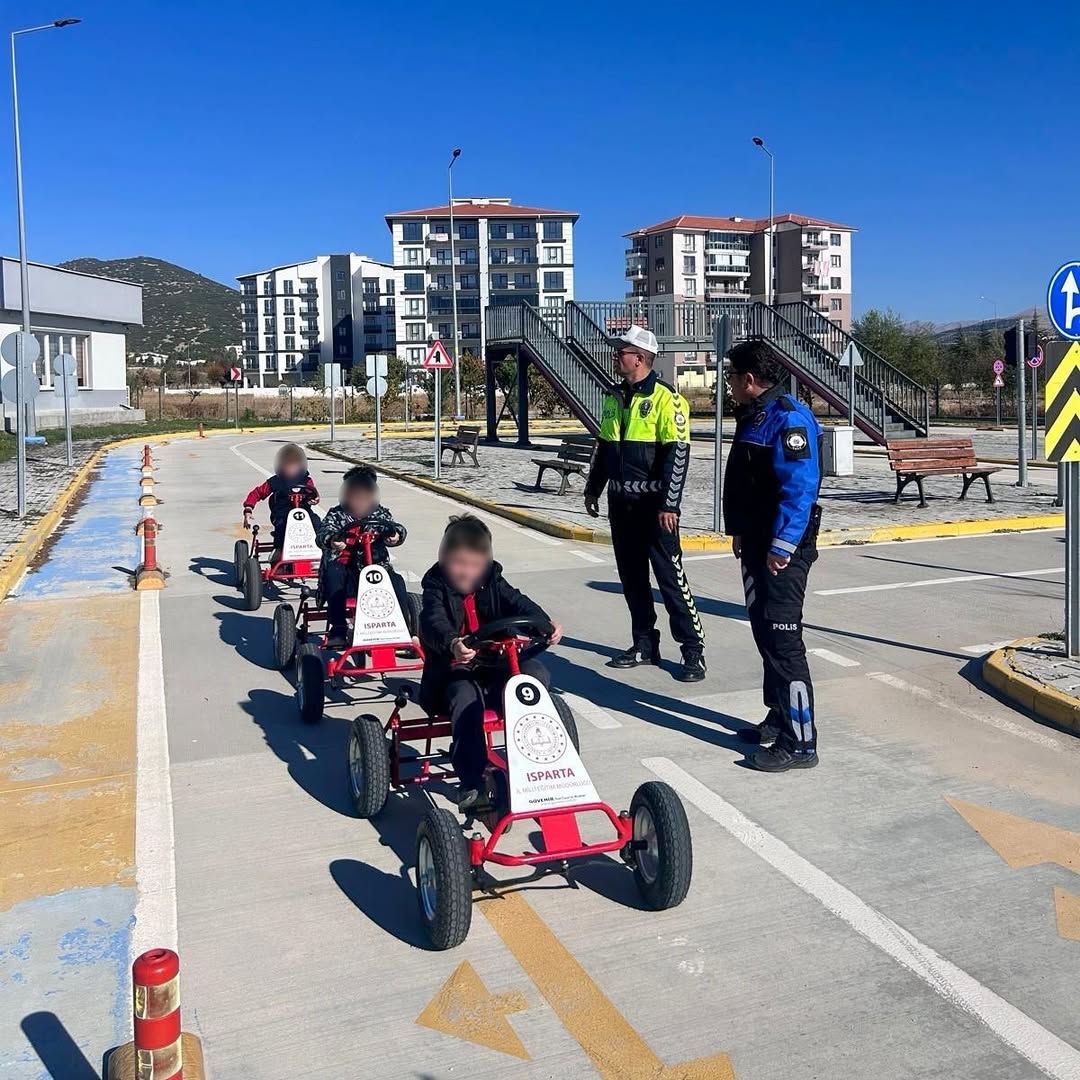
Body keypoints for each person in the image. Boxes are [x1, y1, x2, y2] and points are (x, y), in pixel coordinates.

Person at [584, 324, 705, 682]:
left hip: (654, 507)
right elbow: (605, 448)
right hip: (621, 505)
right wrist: (594, 488)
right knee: (632, 579)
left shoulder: (668, 399)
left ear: (639, 358)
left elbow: (677, 455)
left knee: (671, 580)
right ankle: (644, 644)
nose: (615, 357)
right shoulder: (613, 397)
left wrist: (670, 505)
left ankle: (692, 651)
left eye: (620, 352)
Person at [723, 340, 823, 772]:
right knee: (765, 634)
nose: (728, 385)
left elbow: (800, 489)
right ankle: (778, 716)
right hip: (757, 543)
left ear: (748, 380)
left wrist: (782, 546)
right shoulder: (755, 416)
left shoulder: (788, 418)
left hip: (782, 550)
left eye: (731, 376)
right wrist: (743, 530)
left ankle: (800, 742)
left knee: (783, 643)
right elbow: (750, 483)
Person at [419, 515, 563, 812]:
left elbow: (519, 603)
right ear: (444, 558)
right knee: (466, 698)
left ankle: (541, 765)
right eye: (460, 563)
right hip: (452, 672)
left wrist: (543, 625)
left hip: (496, 667)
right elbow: (433, 622)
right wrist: (452, 644)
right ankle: (471, 781)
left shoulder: (493, 581)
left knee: (535, 675)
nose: (467, 572)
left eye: (475, 565)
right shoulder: (435, 587)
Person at [315, 465, 410, 648]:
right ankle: (338, 628)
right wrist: (332, 540)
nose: (360, 501)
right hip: (347, 573)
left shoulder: (380, 514)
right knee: (334, 573)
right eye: (355, 496)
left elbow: (396, 527)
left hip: (376, 569)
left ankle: (405, 630)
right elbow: (323, 533)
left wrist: (395, 535)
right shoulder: (336, 515)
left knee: (397, 580)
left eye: (364, 497)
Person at [243, 443, 320, 560]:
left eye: (294, 465)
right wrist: (248, 509)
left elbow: (314, 494)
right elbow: (257, 493)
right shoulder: (275, 482)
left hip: (304, 513)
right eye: (288, 465)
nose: (291, 469)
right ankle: (278, 550)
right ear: (282, 466)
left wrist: (314, 498)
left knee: (317, 522)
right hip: (281, 514)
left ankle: (320, 548)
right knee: (282, 526)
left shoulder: (307, 480)